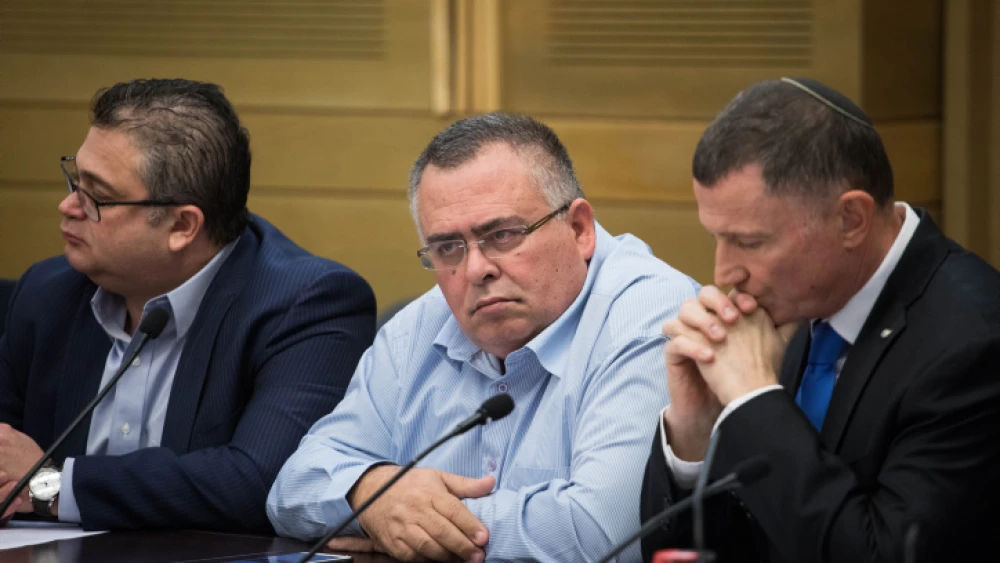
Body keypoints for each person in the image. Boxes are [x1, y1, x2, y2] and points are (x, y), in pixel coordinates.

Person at [266, 112, 699, 562]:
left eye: (503, 235)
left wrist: (408, 522)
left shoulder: (648, 311)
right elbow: (292, 486)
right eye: (448, 247)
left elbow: (599, 532)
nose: (476, 270)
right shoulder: (419, 326)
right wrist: (371, 491)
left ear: (579, 230)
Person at [640, 78, 1000, 562]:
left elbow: (880, 554)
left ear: (851, 219)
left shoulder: (973, 343)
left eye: (750, 242)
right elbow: (691, 553)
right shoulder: (796, 306)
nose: (724, 272)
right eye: (715, 239)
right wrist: (695, 435)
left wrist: (753, 401)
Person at [0, 78, 377, 532]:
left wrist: (52, 487)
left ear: (182, 225)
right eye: (73, 179)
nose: (67, 206)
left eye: (95, 195)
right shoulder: (48, 292)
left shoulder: (308, 303)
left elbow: (264, 482)